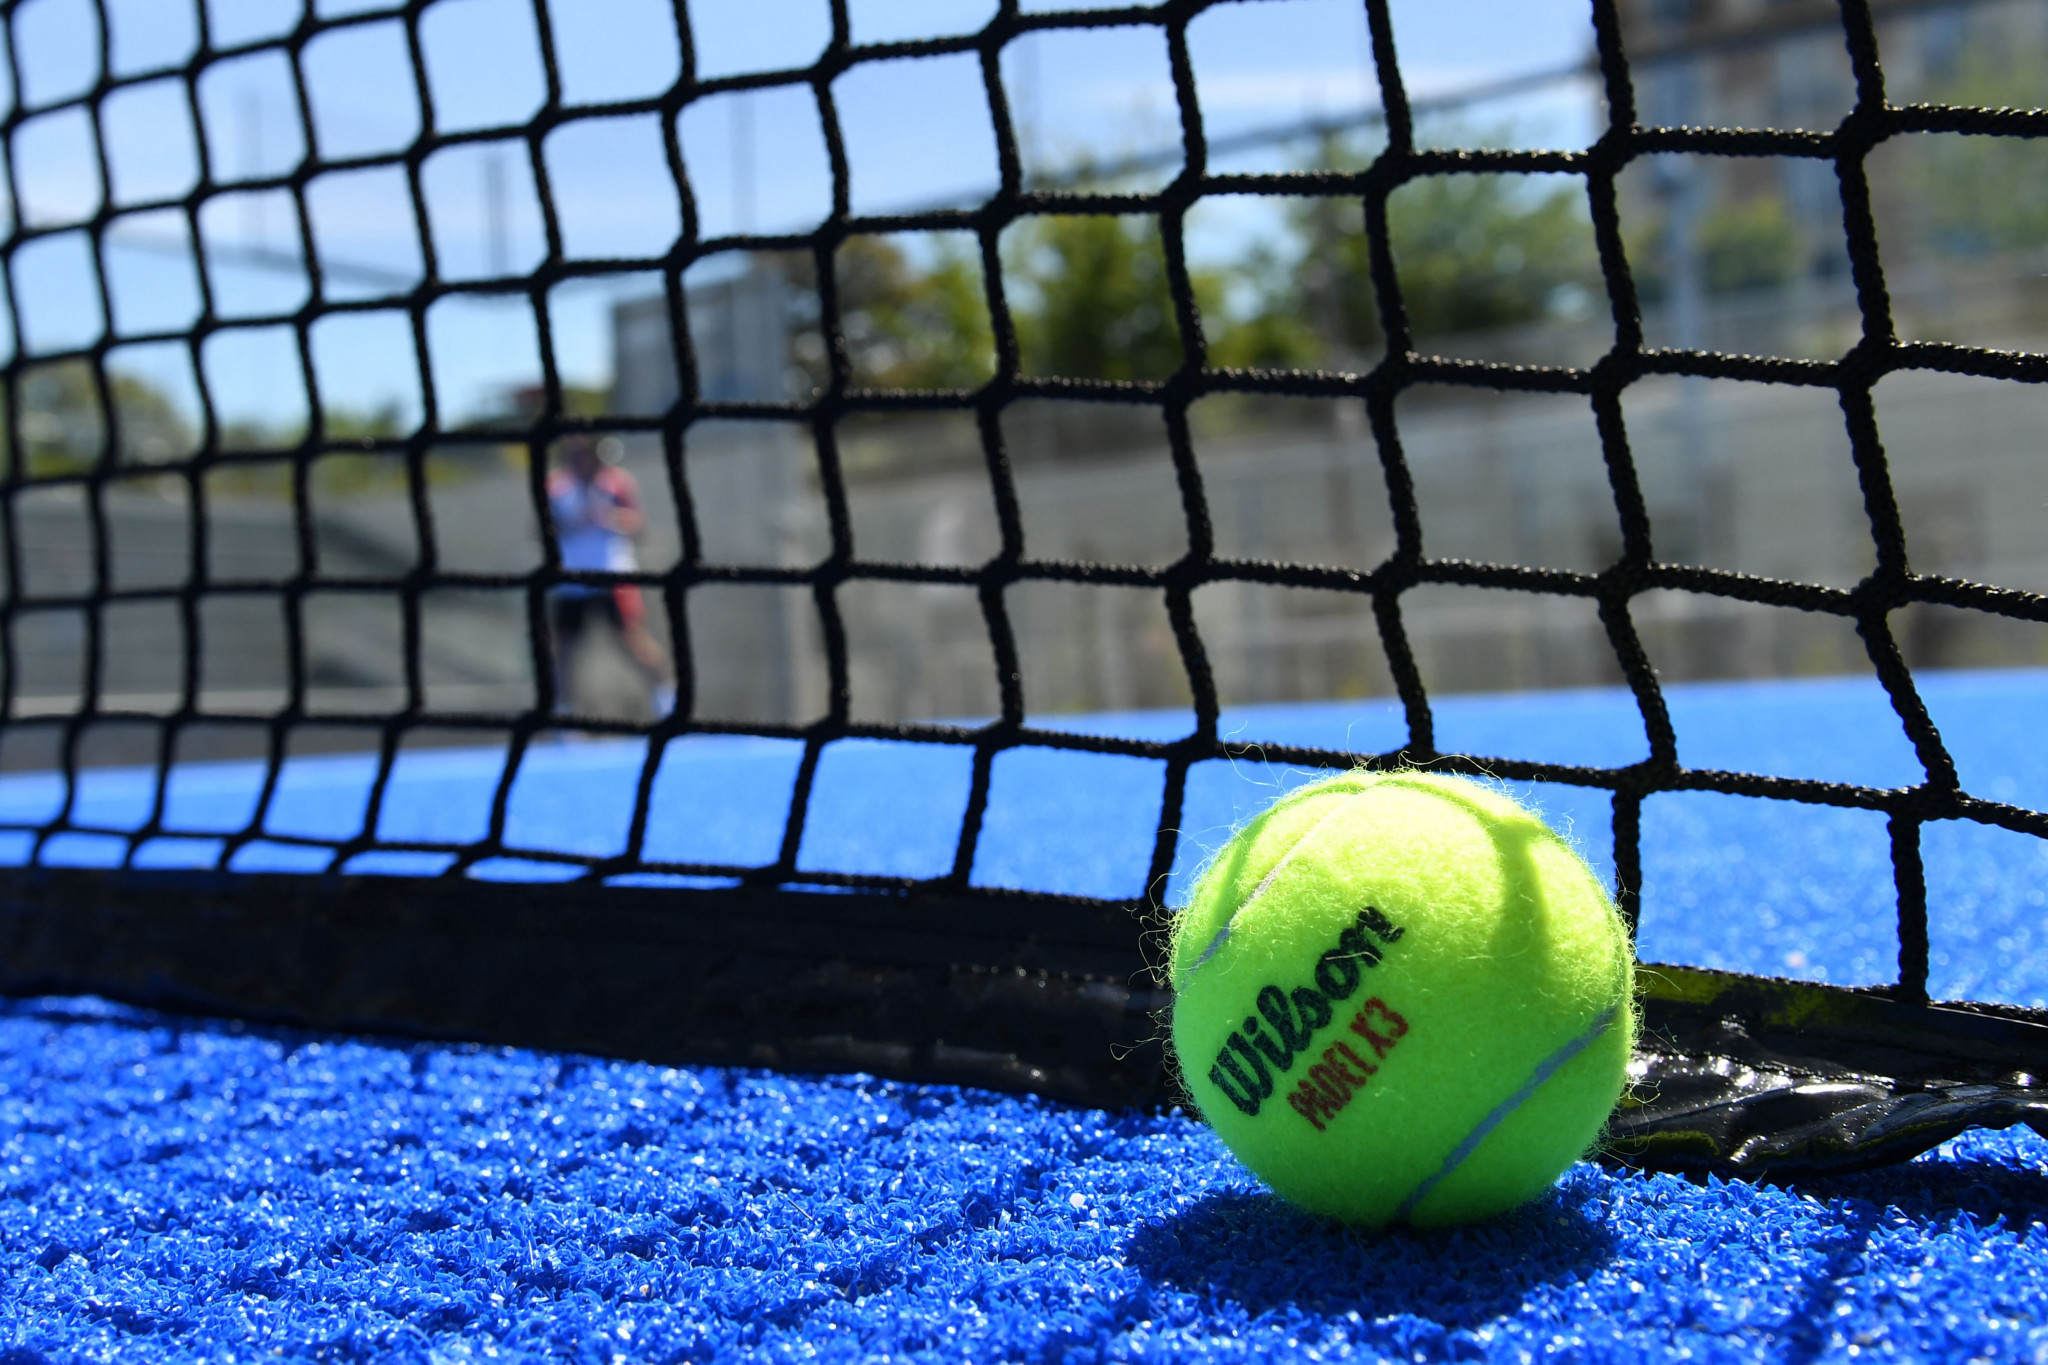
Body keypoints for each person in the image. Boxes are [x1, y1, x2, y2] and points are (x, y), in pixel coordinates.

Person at [546, 434, 675, 719]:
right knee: (563, 651)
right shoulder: (555, 487)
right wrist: (569, 524)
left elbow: (637, 524)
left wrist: (607, 516)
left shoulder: (617, 481)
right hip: (571, 582)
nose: (581, 458)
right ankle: (563, 717)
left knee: (633, 642)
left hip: (612, 577)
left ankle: (668, 707)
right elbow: (538, 529)